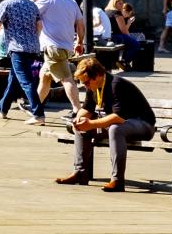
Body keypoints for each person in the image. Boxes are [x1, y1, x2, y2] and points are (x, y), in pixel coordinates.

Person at [55, 55, 156, 191]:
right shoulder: (94, 87)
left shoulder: (116, 85)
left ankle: (117, 180)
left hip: (142, 124)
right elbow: (87, 109)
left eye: (86, 82)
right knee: (82, 127)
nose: (85, 86)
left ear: (97, 75)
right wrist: (78, 120)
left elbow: (118, 118)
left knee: (115, 129)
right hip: (121, 123)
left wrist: (90, 123)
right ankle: (80, 173)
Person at [33, 0, 85, 111]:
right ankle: (36, 108)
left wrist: (33, 0)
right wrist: (79, 42)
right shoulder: (71, 1)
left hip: (53, 48)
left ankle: (77, 110)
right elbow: (80, 24)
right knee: (44, 78)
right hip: (66, 47)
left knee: (66, 79)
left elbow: (29, 13)